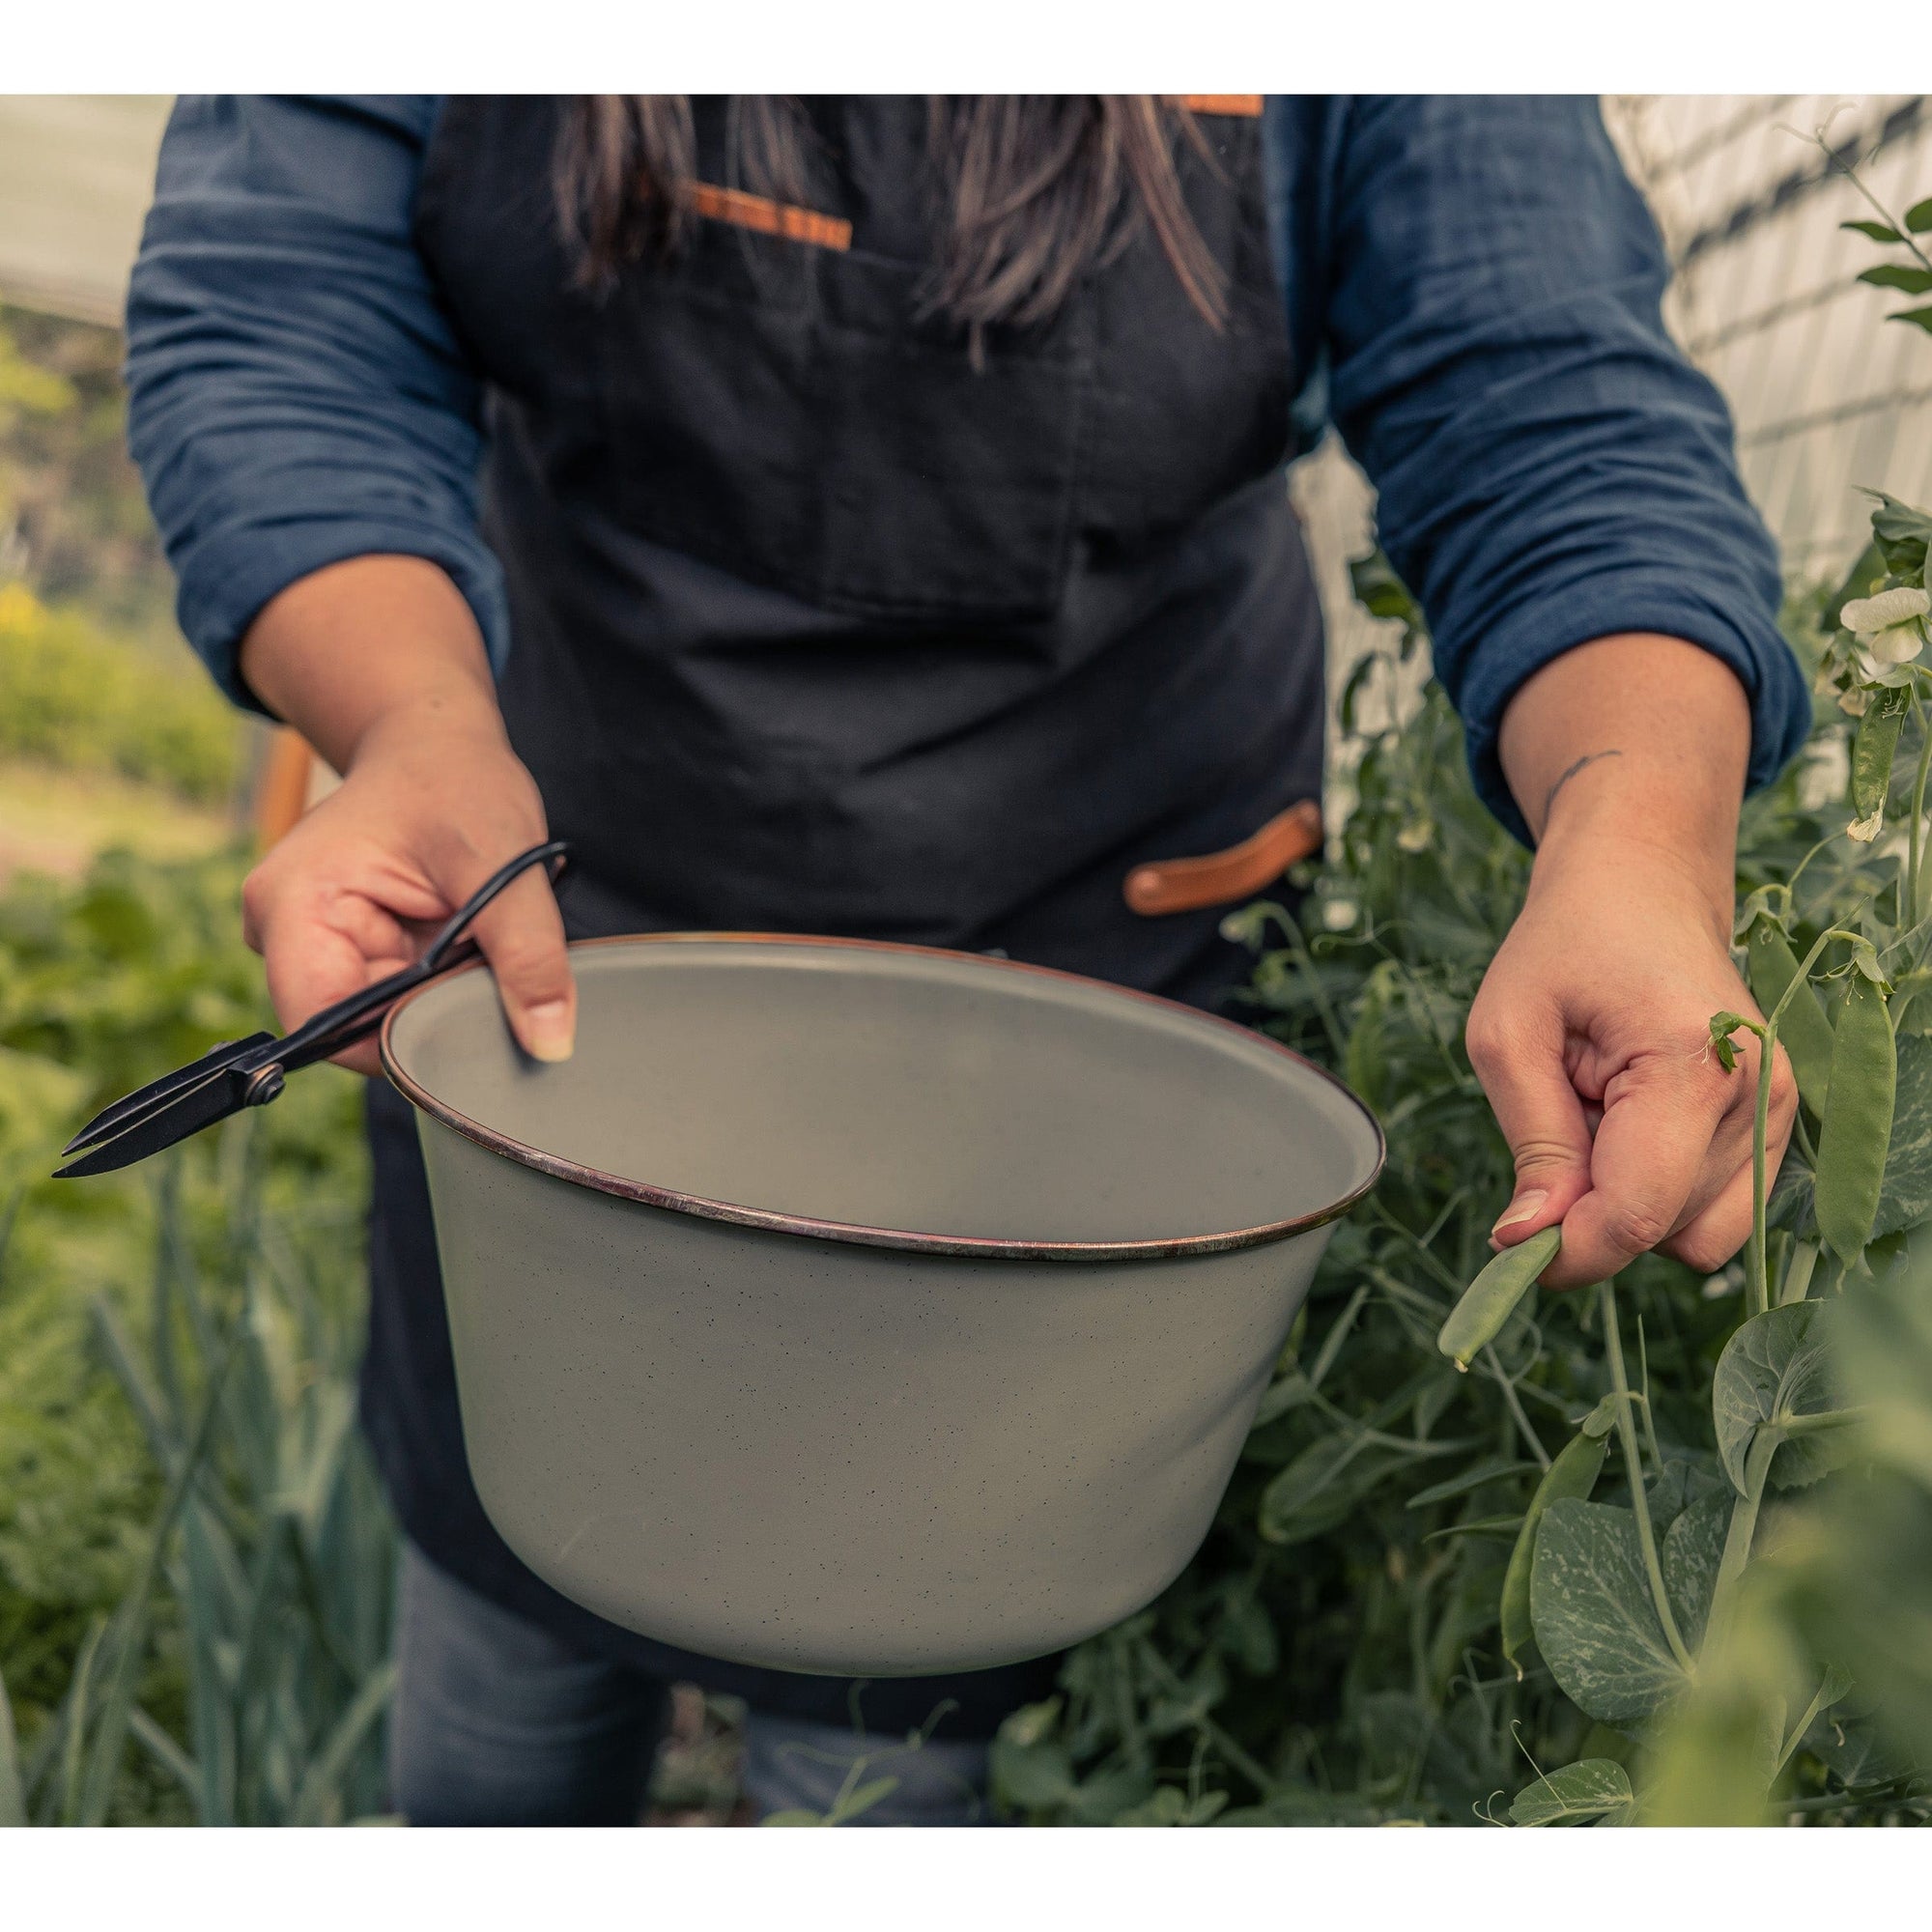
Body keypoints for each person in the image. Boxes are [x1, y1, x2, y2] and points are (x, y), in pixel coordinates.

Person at [124, 94, 1808, 1826]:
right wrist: (406, 722)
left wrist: (1635, 830)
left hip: (1078, 983)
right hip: (565, 923)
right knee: (513, 1651)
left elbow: (1542, 399)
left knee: (903, 1723)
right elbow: (280, 307)